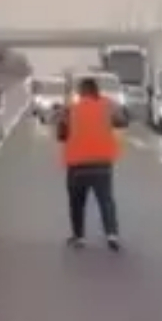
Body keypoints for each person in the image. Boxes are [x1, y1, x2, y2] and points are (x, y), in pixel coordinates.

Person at [57, 76, 122, 251]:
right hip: (103, 162)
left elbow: (61, 135)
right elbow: (122, 121)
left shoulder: (71, 109)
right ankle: (112, 234)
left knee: (77, 201)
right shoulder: (108, 106)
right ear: (96, 91)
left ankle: (79, 237)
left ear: (80, 92)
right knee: (106, 200)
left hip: (78, 164)